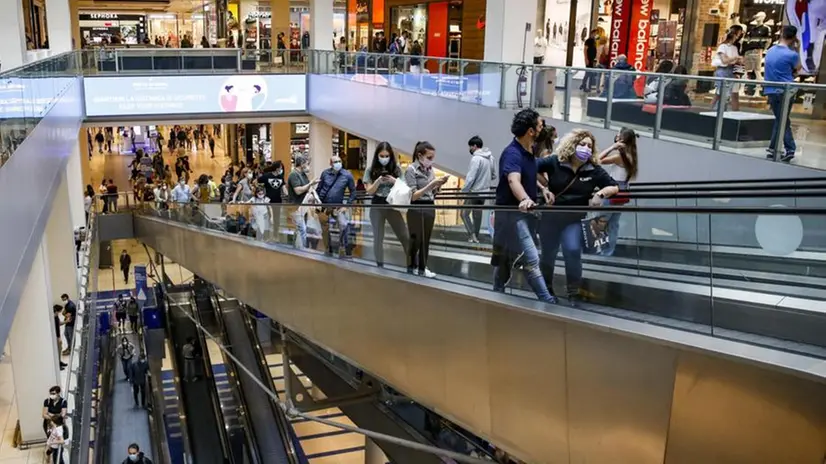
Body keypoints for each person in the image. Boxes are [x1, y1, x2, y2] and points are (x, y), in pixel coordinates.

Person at [537, 129, 619, 305]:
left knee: (572, 250)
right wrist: (543, 187)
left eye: (589, 146)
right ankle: (546, 289)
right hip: (551, 218)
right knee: (548, 254)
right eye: (582, 144)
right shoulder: (554, 162)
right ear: (572, 145)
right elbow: (530, 167)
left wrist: (600, 195)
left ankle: (574, 291)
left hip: (573, 220)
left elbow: (614, 187)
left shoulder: (593, 169)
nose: (586, 149)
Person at [491, 109, 554, 302]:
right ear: (530, 131)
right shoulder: (512, 153)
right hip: (512, 215)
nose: (543, 127)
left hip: (523, 215)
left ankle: (497, 292)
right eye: (540, 125)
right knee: (531, 258)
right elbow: (513, 180)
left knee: (508, 260)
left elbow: (527, 174)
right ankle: (547, 301)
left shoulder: (528, 151)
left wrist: (542, 188)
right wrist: (525, 199)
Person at [405, 141, 448, 277]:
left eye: (432, 158)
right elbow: (413, 196)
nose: (431, 161)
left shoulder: (430, 171)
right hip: (416, 207)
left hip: (430, 206)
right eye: (429, 157)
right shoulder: (411, 170)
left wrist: (437, 186)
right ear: (420, 155)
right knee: (415, 239)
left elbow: (432, 193)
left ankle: (423, 268)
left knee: (425, 240)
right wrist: (430, 186)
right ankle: (411, 266)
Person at [363, 142, 410, 267]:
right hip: (377, 204)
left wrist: (394, 180)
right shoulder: (370, 170)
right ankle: (380, 265)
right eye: (381, 155)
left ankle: (412, 265)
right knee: (378, 238)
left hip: (392, 204)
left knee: (404, 235)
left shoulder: (397, 169)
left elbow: (405, 187)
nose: (384, 158)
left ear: (391, 156)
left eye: (386, 156)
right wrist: (378, 181)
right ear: (377, 155)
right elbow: (369, 191)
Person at [597, 128, 639, 256]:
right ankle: (609, 251)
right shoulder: (632, 154)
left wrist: (612, 147)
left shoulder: (619, 157)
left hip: (613, 189)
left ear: (622, 140)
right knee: (614, 223)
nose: (616, 136)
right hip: (623, 190)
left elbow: (598, 159)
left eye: (618, 135)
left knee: (602, 221)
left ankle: (601, 250)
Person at [764, 25, 801, 163]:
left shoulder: (770, 51)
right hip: (785, 91)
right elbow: (798, 68)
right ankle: (790, 148)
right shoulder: (792, 54)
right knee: (783, 120)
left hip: (771, 90)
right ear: (793, 38)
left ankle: (773, 148)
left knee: (780, 119)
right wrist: (797, 47)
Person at [316, 155, 356, 257]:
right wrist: (315, 201)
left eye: (339, 161)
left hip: (337, 207)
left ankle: (343, 247)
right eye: (335, 162)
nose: (337, 163)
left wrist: (347, 206)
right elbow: (319, 189)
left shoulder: (347, 175)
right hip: (323, 206)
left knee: (343, 225)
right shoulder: (325, 173)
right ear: (330, 163)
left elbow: (353, 192)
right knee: (325, 229)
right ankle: (328, 249)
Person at [461, 136, 496, 243]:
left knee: (463, 214)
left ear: (475, 146)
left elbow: (470, 178)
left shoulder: (476, 159)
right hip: (485, 192)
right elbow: (494, 175)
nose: (470, 149)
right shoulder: (491, 158)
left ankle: (472, 235)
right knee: (477, 215)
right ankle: (476, 236)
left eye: (470, 147)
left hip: (474, 192)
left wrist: (464, 191)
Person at [287, 155, 319, 249]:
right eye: (307, 163)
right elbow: (298, 190)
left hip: (303, 207)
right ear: (301, 164)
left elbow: (308, 188)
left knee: (299, 229)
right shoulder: (293, 175)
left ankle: (295, 248)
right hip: (295, 207)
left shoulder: (303, 175)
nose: (308, 166)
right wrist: (310, 184)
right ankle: (304, 251)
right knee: (302, 230)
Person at [711, 25, 745, 111]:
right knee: (722, 94)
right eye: (738, 34)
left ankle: (719, 112)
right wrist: (735, 58)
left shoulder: (734, 47)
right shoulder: (723, 46)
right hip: (723, 71)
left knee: (725, 95)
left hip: (731, 71)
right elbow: (724, 60)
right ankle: (716, 112)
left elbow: (729, 60)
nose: (738, 37)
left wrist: (737, 61)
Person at [257, 161, 287, 238]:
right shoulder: (267, 176)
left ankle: (275, 234)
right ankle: (266, 234)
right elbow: (257, 181)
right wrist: (259, 193)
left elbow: (284, 188)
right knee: (268, 218)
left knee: (277, 219)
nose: (281, 169)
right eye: (280, 168)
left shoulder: (280, 177)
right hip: (268, 201)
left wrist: (288, 195)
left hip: (278, 201)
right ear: (277, 168)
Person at [52, 305, 68, 370]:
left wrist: (66, 321)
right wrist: (58, 338)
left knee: (60, 349)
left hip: (57, 336)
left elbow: (59, 323)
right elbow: (56, 328)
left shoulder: (56, 317)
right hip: (55, 337)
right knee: (57, 350)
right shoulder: (53, 317)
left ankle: (59, 362)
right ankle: (57, 365)